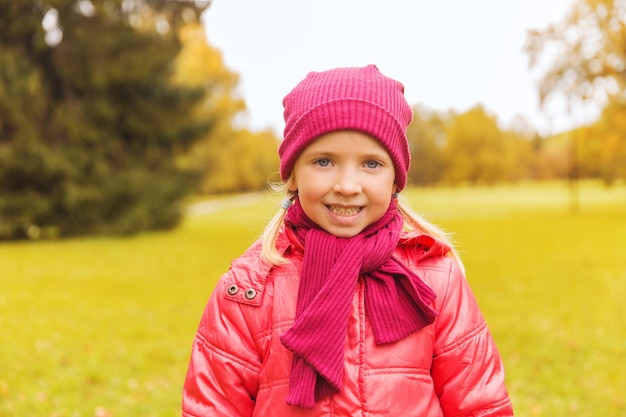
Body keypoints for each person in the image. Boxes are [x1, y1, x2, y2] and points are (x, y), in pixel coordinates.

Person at [182, 65, 514, 416]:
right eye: (324, 161)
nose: (347, 185)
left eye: (371, 164)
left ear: (395, 181)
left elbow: (480, 404)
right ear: (293, 175)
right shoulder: (249, 291)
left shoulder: (435, 279)